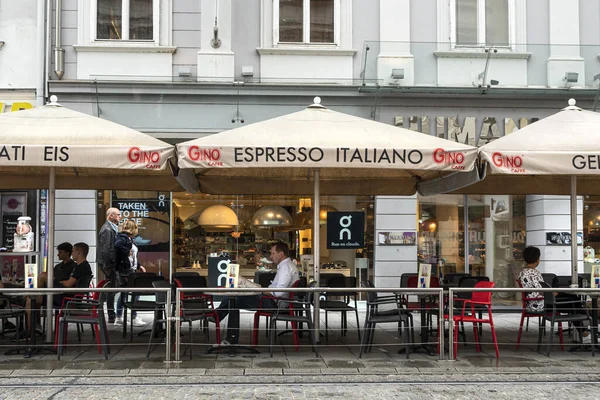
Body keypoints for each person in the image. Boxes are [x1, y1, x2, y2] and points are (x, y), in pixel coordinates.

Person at [213, 241, 299, 345]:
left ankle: (219, 320)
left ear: (281, 254)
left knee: (233, 299)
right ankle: (224, 327)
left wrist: (260, 290)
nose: (271, 256)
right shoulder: (286, 266)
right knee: (233, 298)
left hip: (274, 304)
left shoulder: (286, 268)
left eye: (273, 253)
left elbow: (278, 293)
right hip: (274, 301)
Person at [518, 246, 591, 342]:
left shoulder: (523, 272)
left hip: (535, 302)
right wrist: (553, 294)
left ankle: (584, 329)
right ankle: (587, 323)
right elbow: (541, 290)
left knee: (572, 300)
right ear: (536, 258)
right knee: (573, 300)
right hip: (541, 304)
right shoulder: (533, 273)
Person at [25, 242, 93, 329]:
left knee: (41, 280)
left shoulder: (81, 267)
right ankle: (33, 327)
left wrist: (56, 281)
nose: (72, 253)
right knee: (32, 297)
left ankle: (29, 332)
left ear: (79, 252)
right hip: (67, 295)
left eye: (73, 251)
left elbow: (68, 284)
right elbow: (69, 282)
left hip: (66, 297)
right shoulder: (81, 266)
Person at [114, 220, 146, 327]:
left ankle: (120, 316)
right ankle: (133, 316)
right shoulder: (123, 238)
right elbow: (118, 246)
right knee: (134, 292)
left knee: (125, 293)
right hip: (126, 270)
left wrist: (139, 265)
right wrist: (126, 251)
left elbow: (133, 257)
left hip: (130, 269)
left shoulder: (129, 240)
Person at [98, 207, 121, 323]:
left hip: (110, 263)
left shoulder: (111, 228)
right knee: (112, 288)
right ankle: (111, 314)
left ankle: (112, 313)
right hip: (108, 263)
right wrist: (108, 265)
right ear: (110, 215)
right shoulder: (107, 229)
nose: (120, 216)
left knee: (113, 287)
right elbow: (107, 249)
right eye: (117, 214)